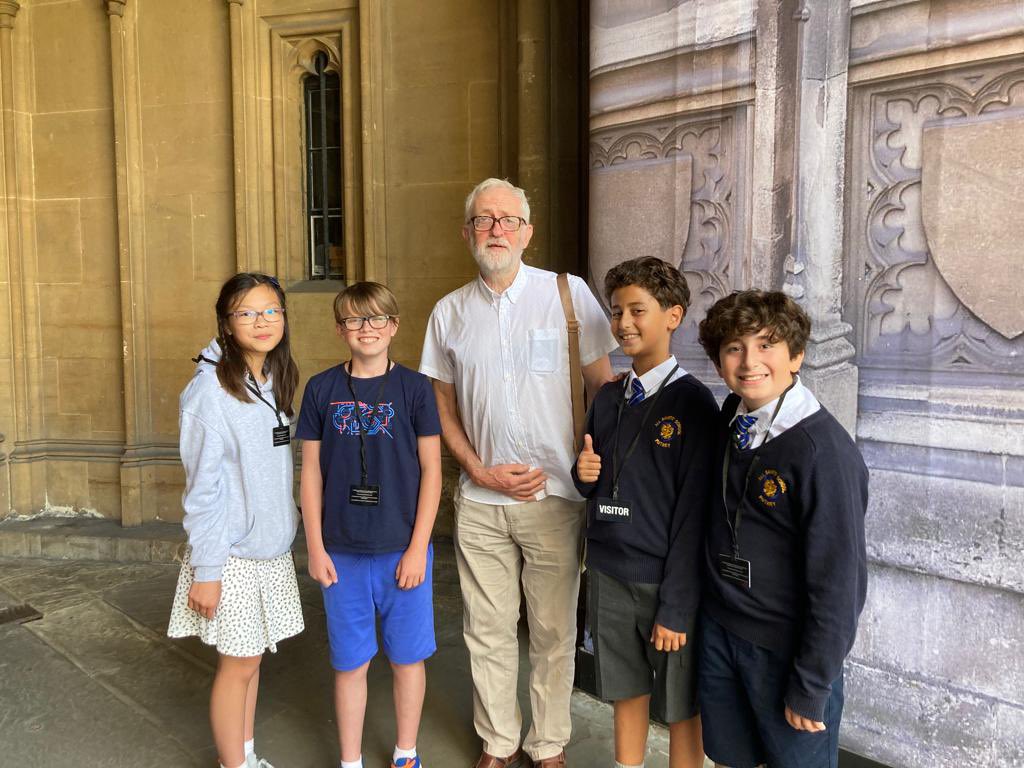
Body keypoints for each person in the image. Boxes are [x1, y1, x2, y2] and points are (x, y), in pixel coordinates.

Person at [420, 178, 618, 768]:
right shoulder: (449, 312)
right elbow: (442, 407)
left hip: (555, 496)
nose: (496, 229)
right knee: (487, 628)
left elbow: (603, 390)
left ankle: (549, 742)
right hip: (480, 503)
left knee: (555, 631)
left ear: (528, 231)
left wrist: (592, 465)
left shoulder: (568, 295)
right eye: (484, 220)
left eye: (508, 219)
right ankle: (498, 741)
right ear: (467, 233)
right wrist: (478, 468)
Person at [696, 290, 869, 768]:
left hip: (785, 653)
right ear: (718, 361)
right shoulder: (732, 417)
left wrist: (812, 684)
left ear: (796, 356)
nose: (750, 361)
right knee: (730, 757)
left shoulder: (823, 453)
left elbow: (840, 583)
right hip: (722, 634)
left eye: (767, 344)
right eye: (734, 347)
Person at [571, 256, 716, 768]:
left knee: (680, 706)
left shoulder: (695, 405)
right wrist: (582, 476)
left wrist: (677, 605)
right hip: (610, 572)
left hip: (663, 583)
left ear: (673, 316)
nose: (624, 323)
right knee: (625, 690)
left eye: (638, 310)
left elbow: (695, 516)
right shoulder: (609, 397)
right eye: (616, 312)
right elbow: (593, 474)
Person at [297, 282, 442, 768]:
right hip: (341, 552)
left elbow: (432, 471)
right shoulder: (321, 389)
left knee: (407, 658)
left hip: (403, 548)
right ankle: (350, 760)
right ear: (341, 330)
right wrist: (315, 547)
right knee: (349, 662)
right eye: (355, 320)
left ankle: (406, 752)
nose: (367, 328)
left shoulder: (415, 388)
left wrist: (418, 547)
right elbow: (311, 473)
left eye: (377, 318)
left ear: (394, 326)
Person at [168, 272, 305, 768]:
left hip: (268, 547)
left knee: (252, 660)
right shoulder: (209, 392)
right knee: (237, 664)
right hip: (231, 555)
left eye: (271, 310)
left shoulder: (268, 377)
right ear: (226, 324)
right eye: (246, 312)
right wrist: (207, 572)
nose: (261, 321)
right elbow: (202, 492)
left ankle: (246, 756)